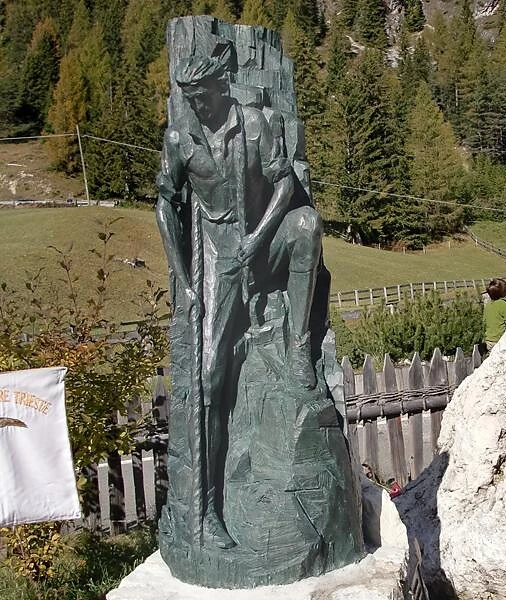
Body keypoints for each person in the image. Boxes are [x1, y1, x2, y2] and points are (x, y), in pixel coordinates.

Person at [155, 45, 323, 549]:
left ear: (221, 88)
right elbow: (165, 204)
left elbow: (285, 185)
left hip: (262, 239)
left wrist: (259, 237)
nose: (197, 107)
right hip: (217, 253)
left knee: (307, 226)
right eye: (189, 99)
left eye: (203, 97)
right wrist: (185, 280)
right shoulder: (180, 138)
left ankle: (299, 346)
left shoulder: (254, 124)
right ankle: (208, 510)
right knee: (210, 376)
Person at [483, 278, 506, 351]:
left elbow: (484, 321)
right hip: (500, 340)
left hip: (489, 341)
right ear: (503, 291)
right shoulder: (504, 304)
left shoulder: (488, 305)